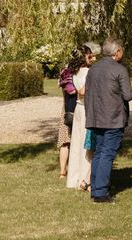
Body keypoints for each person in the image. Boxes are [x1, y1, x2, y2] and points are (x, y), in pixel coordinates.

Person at [85, 37, 132, 203]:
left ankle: (96, 188)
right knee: (107, 153)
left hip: (96, 116)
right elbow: (128, 95)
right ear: (117, 52)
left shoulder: (93, 69)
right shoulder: (119, 70)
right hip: (113, 117)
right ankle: (101, 192)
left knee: (99, 152)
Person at [66, 44, 97, 190]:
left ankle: (74, 178)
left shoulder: (75, 72)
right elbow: (83, 91)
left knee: (77, 143)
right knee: (87, 144)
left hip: (78, 108)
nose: (92, 57)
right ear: (83, 57)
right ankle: (85, 178)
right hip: (86, 109)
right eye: (89, 54)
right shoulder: (88, 72)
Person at [57, 50, 79, 178]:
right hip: (79, 108)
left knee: (65, 141)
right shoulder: (80, 74)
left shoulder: (64, 74)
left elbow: (63, 91)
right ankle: (76, 169)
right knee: (78, 141)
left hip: (66, 109)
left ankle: (62, 172)